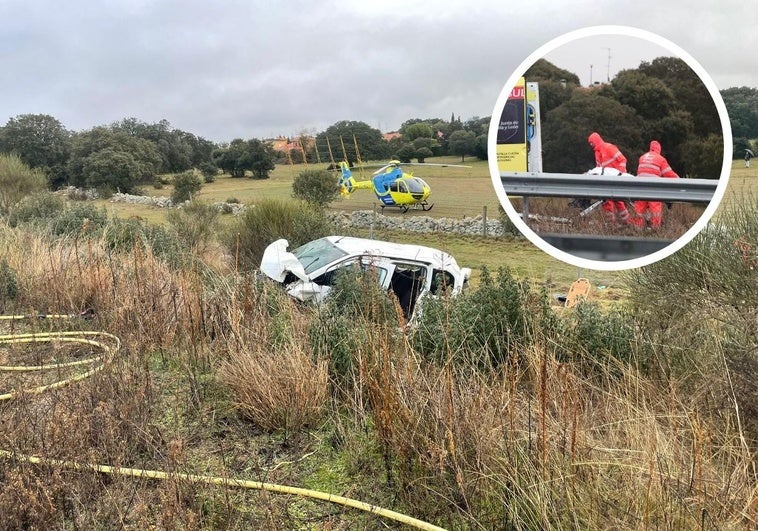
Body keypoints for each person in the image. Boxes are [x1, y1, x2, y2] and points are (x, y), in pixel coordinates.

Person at [632, 140, 679, 229]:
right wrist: (679, 181)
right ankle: (655, 228)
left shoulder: (642, 157)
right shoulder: (660, 159)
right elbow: (669, 174)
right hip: (653, 186)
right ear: (659, 149)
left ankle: (637, 228)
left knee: (639, 207)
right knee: (655, 207)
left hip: (640, 185)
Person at [587, 132, 631, 225]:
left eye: (592, 142)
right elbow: (599, 169)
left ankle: (627, 222)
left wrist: (621, 174)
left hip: (616, 179)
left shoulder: (609, 147)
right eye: (590, 143)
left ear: (596, 140)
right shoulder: (597, 153)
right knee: (607, 203)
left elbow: (623, 160)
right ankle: (611, 224)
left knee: (618, 201)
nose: (591, 145)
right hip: (606, 181)